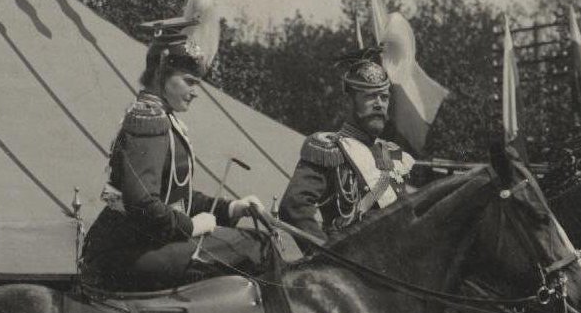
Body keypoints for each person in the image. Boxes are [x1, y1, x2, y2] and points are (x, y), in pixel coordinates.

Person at [79, 26, 267, 292]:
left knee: (255, 243)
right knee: (258, 247)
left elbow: (174, 197)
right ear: (160, 72)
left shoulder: (160, 118)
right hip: (126, 253)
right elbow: (142, 203)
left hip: (144, 245)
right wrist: (192, 226)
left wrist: (232, 208)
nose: (194, 91)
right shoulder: (148, 121)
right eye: (188, 81)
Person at [279, 47, 417, 239]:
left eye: (384, 97)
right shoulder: (328, 149)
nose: (379, 104)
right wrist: (326, 255)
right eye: (369, 96)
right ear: (349, 102)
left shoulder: (395, 155)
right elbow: (294, 206)